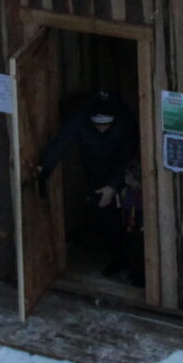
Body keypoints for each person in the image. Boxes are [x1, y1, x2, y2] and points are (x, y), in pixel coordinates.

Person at [34, 89, 143, 284]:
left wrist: (113, 186)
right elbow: (62, 141)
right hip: (95, 171)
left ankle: (134, 264)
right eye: (97, 125)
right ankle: (118, 258)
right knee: (104, 217)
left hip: (124, 175)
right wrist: (45, 166)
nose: (101, 129)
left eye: (106, 125)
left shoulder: (125, 122)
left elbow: (127, 156)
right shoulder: (81, 119)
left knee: (130, 220)